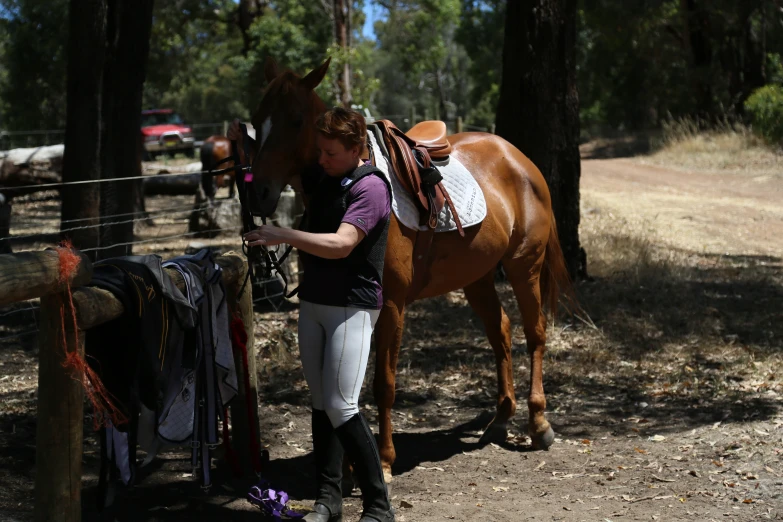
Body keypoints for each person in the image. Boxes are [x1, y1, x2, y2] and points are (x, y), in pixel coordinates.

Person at [234, 107, 394, 522]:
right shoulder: (321, 176)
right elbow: (260, 174)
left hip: (352, 306)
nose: (321, 159)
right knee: (322, 403)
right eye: (319, 151)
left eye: (330, 152)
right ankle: (328, 498)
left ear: (356, 149)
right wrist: (245, 153)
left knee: (342, 405)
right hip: (315, 304)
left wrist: (281, 235)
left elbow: (342, 244)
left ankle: (379, 506)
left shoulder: (372, 188)